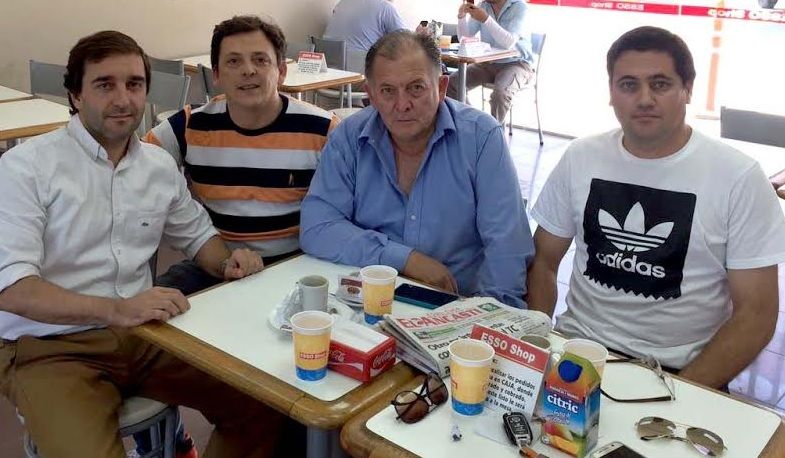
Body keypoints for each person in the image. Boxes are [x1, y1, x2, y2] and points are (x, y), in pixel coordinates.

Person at [0, 30, 285, 458]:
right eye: (105, 85)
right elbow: (13, 289)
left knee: (262, 405)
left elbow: (198, 236)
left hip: (145, 335)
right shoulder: (25, 168)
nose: (123, 99)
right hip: (50, 348)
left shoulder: (157, 165)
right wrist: (117, 309)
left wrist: (228, 263)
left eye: (134, 84)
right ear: (75, 95)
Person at [526, 26, 785, 389]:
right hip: (578, 354)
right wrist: (539, 349)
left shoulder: (737, 177)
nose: (644, 99)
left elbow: (756, 314)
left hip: (682, 371)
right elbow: (543, 262)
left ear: (688, 89)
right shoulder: (581, 157)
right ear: (611, 93)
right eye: (628, 85)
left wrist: (681, 394)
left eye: (660, 84)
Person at [300, 30, 533, 308]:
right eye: (387, 91)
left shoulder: (481, 138)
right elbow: (317, 227)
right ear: (371, 95)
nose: (402, 105)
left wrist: (490, 314)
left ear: (442, 88)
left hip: (458, 303)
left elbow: (507, 247)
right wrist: (406, 259)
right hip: (367, 299)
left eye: (416, 88)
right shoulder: (349, 137)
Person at [145, 15, 338, 296]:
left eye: (260, 60)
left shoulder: (323, 130)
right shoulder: (188, 126)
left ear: (281, 71)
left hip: (297, 263)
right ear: (216, 75)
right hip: (217, 262)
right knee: (152, 306)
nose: (248, 70)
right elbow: (135, 162)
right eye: (233, 61)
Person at [446, 0, 534, 124]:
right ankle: (478, 123)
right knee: (451, 83)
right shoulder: (483, 6)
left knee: (501, 94)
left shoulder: (520, 7)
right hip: (488, 62)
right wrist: (461, 17)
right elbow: (464, 38)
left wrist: (486, 19)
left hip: (517, 63)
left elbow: (508, 42)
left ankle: (495, 132)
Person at [323, 0, 407, 53]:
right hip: (359, 68)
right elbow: (405, 42)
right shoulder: (385, 8)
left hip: (328, 64)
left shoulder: (342, 3)